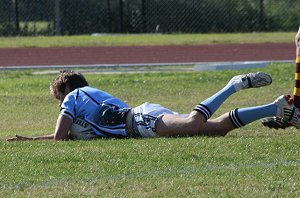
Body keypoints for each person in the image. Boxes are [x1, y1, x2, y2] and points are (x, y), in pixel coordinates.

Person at [6, 69, 300, 141]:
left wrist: (30, 138)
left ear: (65, 89)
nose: (59, 103)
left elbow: (60, 137)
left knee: (192, 124)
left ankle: (233, 85)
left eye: (57, 97)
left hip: (141, 122)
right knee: (216, 130)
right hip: (144, 113)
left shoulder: (72, 97)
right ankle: (272, 108)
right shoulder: (92, 92)